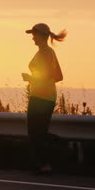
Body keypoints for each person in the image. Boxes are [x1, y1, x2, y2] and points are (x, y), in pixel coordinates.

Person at [22, 23, 67, 175]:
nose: (32, 38)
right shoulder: (47, 52)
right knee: (38, 131)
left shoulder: (46, 53)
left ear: (42, 36)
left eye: (34, 35)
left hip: (40, 97)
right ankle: (45, 162)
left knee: (35, 132)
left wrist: (31, 79)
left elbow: (49, 75)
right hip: (45, 96)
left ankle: (46, 162)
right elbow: (58, 76)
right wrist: (39, 82)